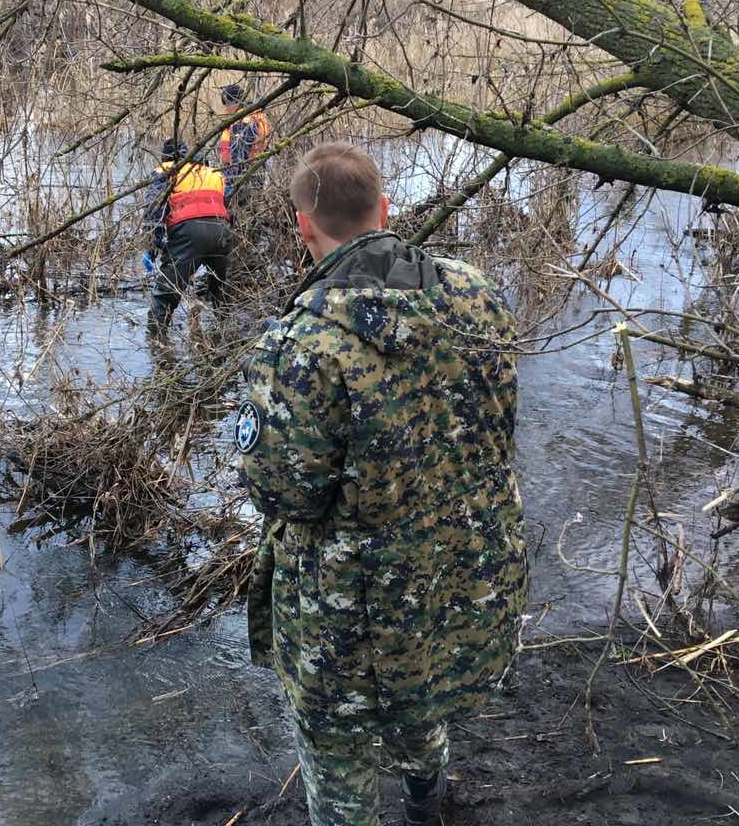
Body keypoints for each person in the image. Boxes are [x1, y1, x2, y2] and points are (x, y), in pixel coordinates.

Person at [237, 142, 528, 826]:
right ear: (385, 209)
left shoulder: (300, 345)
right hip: (465, 570)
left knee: (337, 751)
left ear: (302, 226)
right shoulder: (474, 292)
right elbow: (499, 421)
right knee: (418, 689)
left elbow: (285, 496)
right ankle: (426, 804)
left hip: (352, 604)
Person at [143, 138, 232, 334]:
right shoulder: (213, 172)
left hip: (189, 233)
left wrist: (153, 246)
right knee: (220, 287)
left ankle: (156, 340)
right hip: (221, 230)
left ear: (165, 157)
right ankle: (226, 332)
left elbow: (154, 209)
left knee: (165, 293)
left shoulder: (165, 171)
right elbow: (228, 203)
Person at [216, 83, 272, 205]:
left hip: (244, 177)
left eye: (227, 105)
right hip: (257, 171)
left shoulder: (242, 122)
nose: (226, 109)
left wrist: (229, 183)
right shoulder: (256, 115)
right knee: (255, 206)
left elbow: (239, 159)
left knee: (245, 209)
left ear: (234, 102)